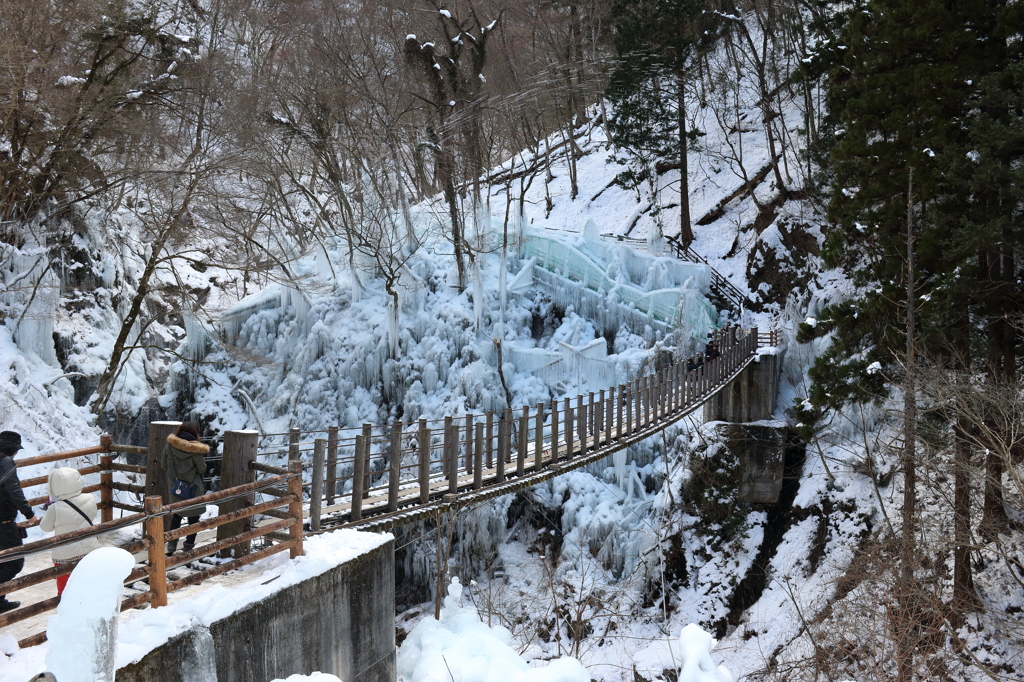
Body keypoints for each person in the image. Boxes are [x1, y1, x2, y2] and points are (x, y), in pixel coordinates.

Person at [39, 467, 100, 596]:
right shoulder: (89, 498)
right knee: (89, 584)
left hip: (65, 555)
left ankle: (66, 613)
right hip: (90, 549)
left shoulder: (55, 508)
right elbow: (93, 515)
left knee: (65, 590)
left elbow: (45, 527)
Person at [0, 431, 35, 612]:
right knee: (14, 561)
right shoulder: (5, 462)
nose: (16, 454)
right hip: (3, 522)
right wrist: (29, 514)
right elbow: (14, 490)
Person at [162, 422, 209, 555]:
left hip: (176, 488)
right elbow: (202, 469)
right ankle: (188, 547)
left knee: (176, 516)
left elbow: (163, 465)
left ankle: (171, 546)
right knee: (193, 519)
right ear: (194, 434)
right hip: (193, 490)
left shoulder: (169, 447)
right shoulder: (196, 450)